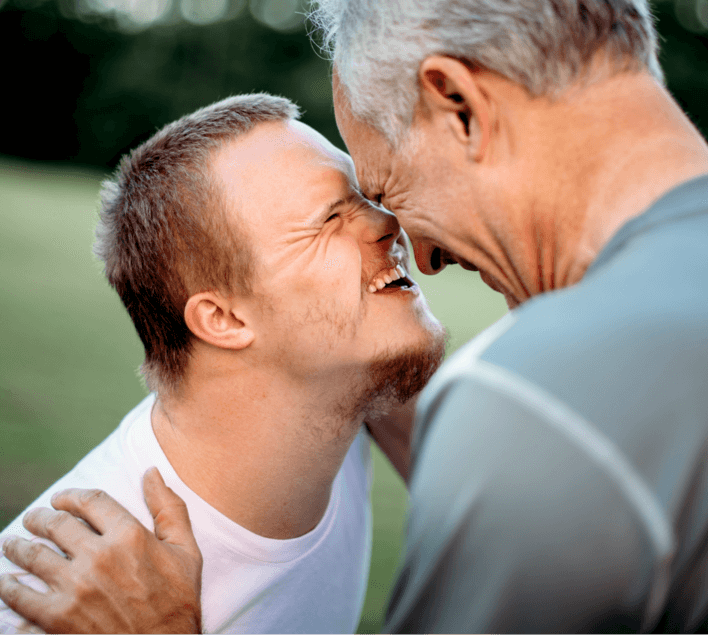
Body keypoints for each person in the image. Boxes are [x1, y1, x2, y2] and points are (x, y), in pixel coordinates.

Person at [2, 0, 708, 633]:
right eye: (343, 210)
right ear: (219, 316)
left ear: (461, 105)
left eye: (384, 186)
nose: (423, 253)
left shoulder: (537, 407)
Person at [0, 94, 446, 634]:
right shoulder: (67, 604)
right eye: (331, 218)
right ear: (223, 319)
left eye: (366, 195)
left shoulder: (346, 386)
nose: (388, 222)